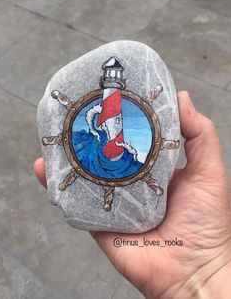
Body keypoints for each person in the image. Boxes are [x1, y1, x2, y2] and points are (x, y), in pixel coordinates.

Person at [34, 91, 231, 298]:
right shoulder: (102, 124)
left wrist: (209, 269)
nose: (117, 122)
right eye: (115, 119)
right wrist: (210, 270)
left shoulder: (111, 124)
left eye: (119, 119)